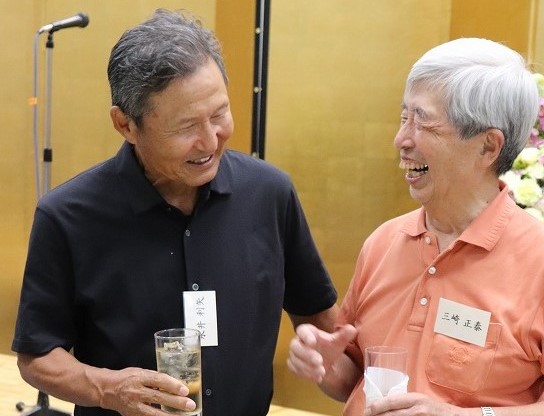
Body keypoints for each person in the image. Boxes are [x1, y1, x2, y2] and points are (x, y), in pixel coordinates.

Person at [12, 9, 338, 416]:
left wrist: (327, 352)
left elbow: (321, 317)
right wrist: (109, 389)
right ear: (125, 125)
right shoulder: (67, 216)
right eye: (186, 127)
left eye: (219, 114)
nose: (210, 141)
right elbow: (37, 355)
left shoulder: (270, 193)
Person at [287, 38, 544, 416]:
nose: (401, 140)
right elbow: (358, 378)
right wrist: (327, 364)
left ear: (488, 147)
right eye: (404, 117)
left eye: (423, 122)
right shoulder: (384, 242)